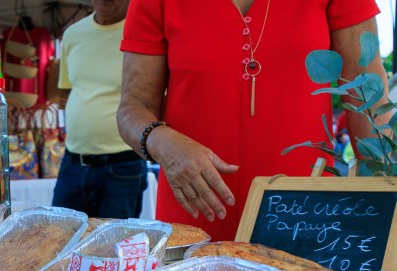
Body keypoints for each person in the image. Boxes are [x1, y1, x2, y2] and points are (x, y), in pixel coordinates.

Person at [116, 0, 390, 240]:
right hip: (193, 211)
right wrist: (163, 143)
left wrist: (386, 194)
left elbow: (366, 93)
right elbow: (133, 107)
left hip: (307, 213)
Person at [51, 0, 147, 219]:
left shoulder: (142, 33)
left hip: (123, 166)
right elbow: (67, 91)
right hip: (72, 163)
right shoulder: (73, 34)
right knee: (61, 242)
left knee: (114, 249)